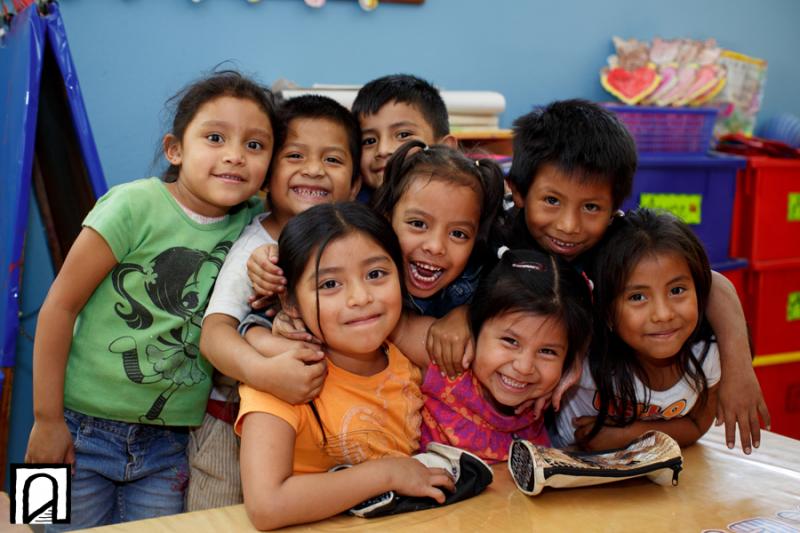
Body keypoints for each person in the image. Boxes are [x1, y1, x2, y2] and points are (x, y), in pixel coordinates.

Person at [24, 70, 278, 529]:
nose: (235, 156)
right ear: (175, 149)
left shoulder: (254, 222)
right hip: (74, 426)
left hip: (170, 443)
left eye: (255, 146)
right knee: (38, 523)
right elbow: (58, 306)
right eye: (215, 137)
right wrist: (44, 420)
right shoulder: (130, 205)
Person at [505, 99, 768, 452]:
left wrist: (739, 370)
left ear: (614, 208)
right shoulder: (501, 238)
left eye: (591, 207)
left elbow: (715, 285)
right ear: (519, 193)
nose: (569, 226)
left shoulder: (614, 244)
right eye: (552, 201)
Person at [237, 203, 455, 531]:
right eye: (329, 285)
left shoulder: (406, 362)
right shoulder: (282, 378)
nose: (360, 297)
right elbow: (267, 505)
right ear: (291, 303)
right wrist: (388, 474)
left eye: (376, 274)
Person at [193, 94, 361, 510]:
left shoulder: (353, 243)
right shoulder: (259, 245)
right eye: (296, 155)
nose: (314, 169)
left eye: (334, 160)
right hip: (231, 426)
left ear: (356, 185)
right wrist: (264, 371)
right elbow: (214, 335)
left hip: (314, 428)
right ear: (267, 176)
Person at [554, 208, 721, 450]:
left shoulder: (705, 355)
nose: (663, 314)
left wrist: (627, 435)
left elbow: (696, 425)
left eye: (677, 291)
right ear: (607, 311)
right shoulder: (585, 356)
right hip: (560, 459)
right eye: (638, 296)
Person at [419, 247, 592, 463]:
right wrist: (461, 315)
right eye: (510, 341)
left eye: (547, 351)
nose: (524, 367)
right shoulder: (447, 358)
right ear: (476, 326)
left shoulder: (543, 395)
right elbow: (384, 324)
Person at [351, 73, 457, 200]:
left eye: (403, 134)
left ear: (445, 149)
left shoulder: (469, 204)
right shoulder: (347, 214)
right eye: (369, 141)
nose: (383, 150)